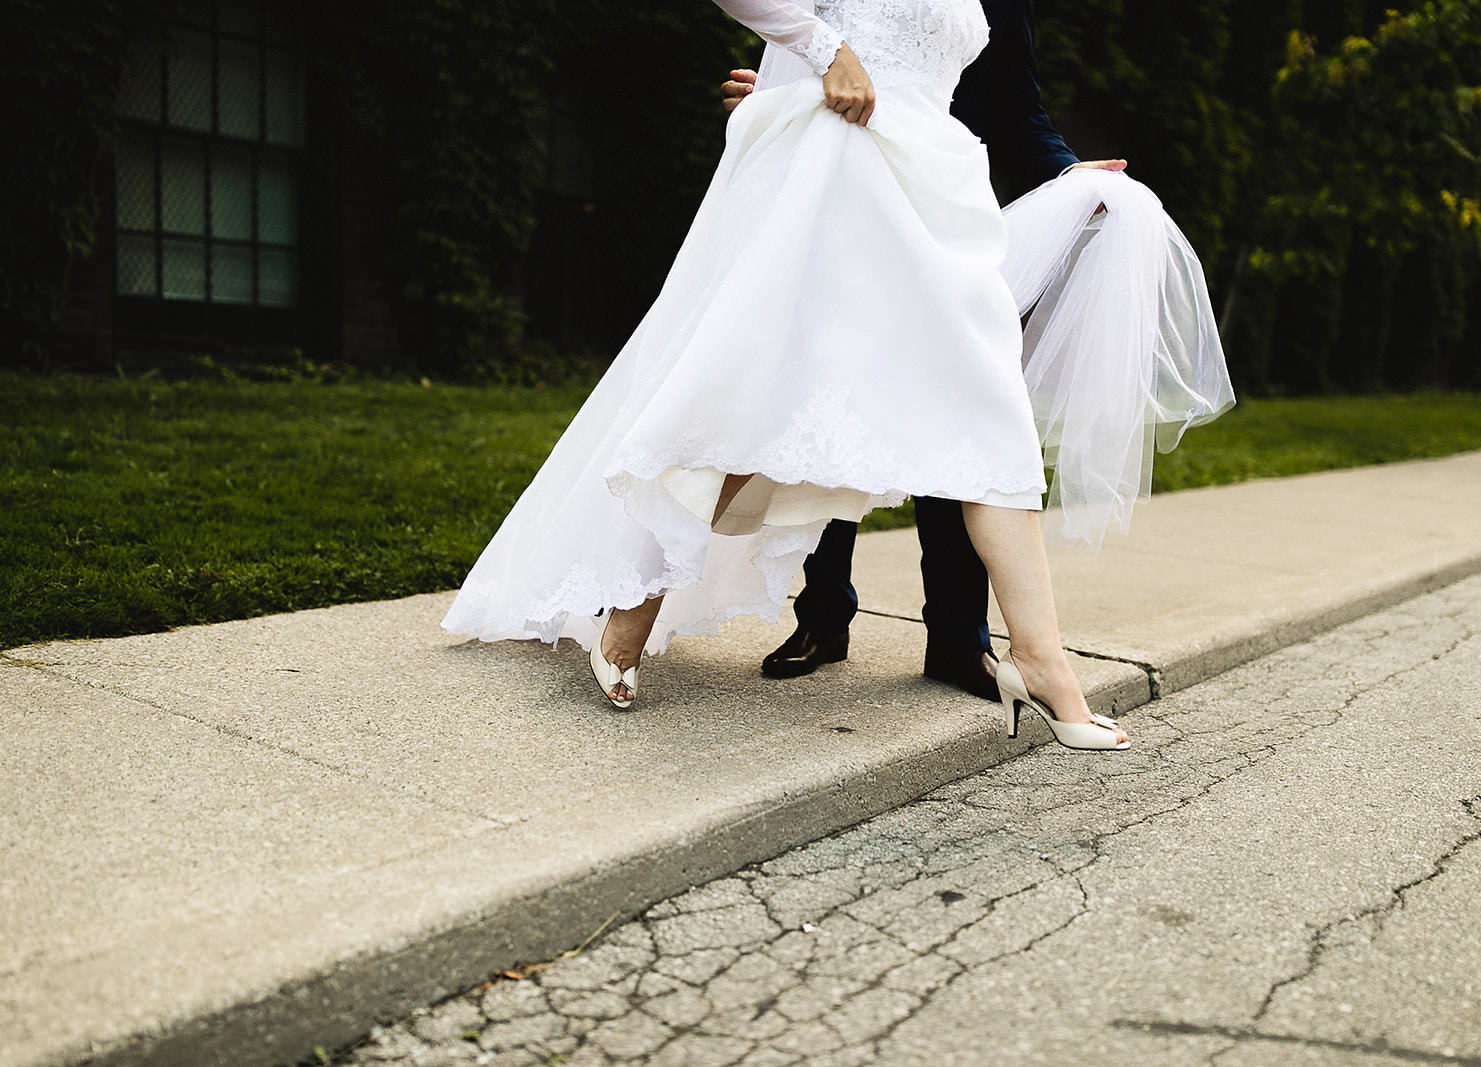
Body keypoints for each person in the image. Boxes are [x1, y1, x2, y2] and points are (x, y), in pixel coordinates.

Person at [443, 0, 1135, 750]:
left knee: (993, 417)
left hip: (942, 191)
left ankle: (1042, 662)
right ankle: (636, 606)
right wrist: (822, 50)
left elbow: (1007, 94)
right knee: (775, 416)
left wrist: (1069, 178)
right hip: (844, 181)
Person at [719, 0, 1125, 702]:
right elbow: (811, 39)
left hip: (942, 217)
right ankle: (822, 619)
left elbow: (1019, 108)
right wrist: (773, 94)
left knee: (960, 417)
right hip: (847, 208)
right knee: (828, 404)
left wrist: (1069, 177)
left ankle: (959, 639)